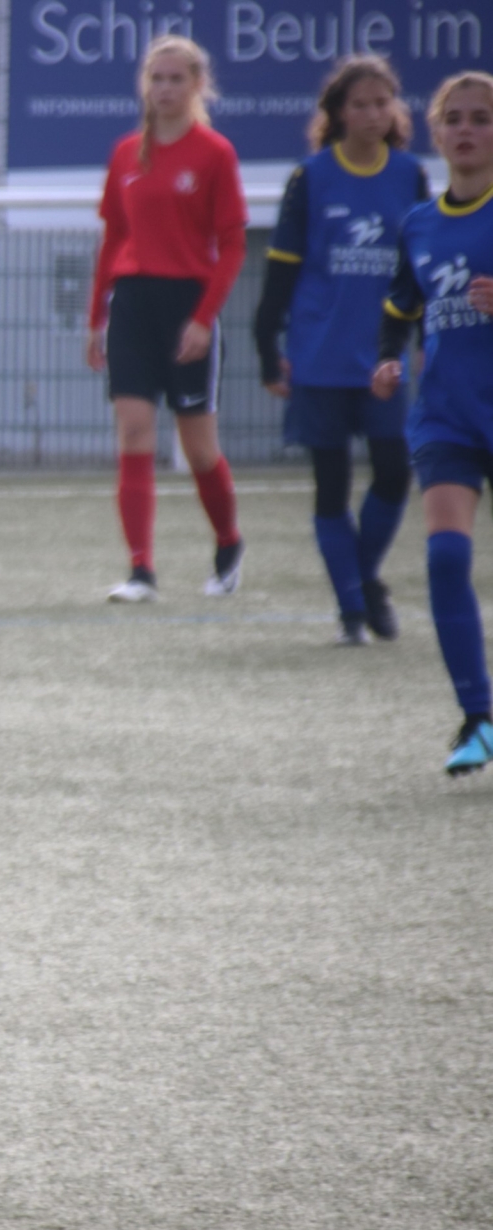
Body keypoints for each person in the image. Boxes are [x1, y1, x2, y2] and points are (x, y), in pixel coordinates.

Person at [254, 56, 428, 645]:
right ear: (338, 113)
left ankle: (365, 580)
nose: (373, 114)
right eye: (360, 104)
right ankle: (353, 610)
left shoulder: (409, 176)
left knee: (394, 473)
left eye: (383, 103)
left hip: (382, 358)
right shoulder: (310, 178)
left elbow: (421, 271)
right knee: (330, 486)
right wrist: (266, 343)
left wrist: (427, 341)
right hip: (320, 355)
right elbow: (282, 270)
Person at [86, 34, 249, 603]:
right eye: (156, 78)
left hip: (186, 306)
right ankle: (141, 571)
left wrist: (203, 319)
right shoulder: (126, 153)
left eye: (176, 78)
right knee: (133, 430)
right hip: (132, 304)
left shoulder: (214, 153)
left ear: (198, 85)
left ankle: (228, 543)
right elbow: (114, 238)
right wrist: (95, 318)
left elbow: (232, 245)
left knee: (198, 446)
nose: (165, 89)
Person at [373, 71, 493, 774]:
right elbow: (400, 308)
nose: (467, 129)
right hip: (447, 418)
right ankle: (478, 718)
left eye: (481, 118)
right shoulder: (419, 224)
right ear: (438, 133)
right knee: (446, 559)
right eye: (455, 119)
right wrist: (388, 358)